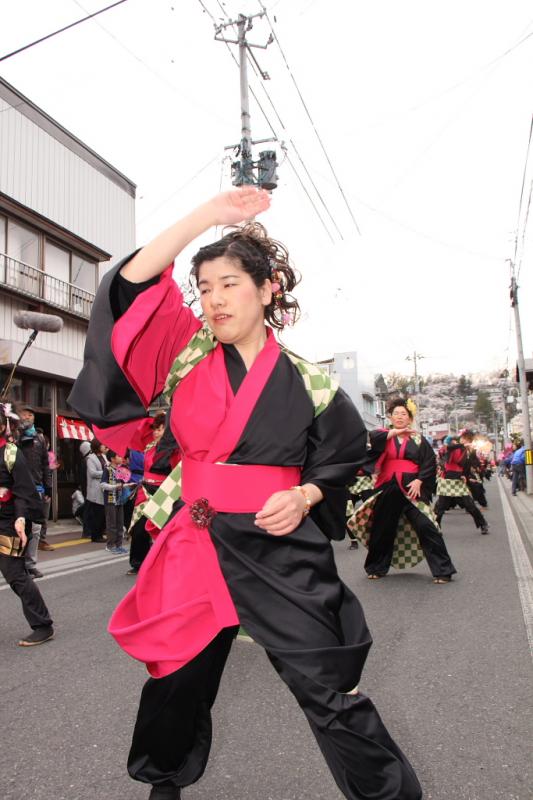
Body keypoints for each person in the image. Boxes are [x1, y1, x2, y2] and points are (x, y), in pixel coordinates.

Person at [69, 187, 422, 800]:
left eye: (229, 284)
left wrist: (306, 496)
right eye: (204, 287)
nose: (213, 299)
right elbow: (128, 286)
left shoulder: (310, 382)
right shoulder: (185, 355)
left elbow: (342, 455)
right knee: (176, 682)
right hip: (196, 540)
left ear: (267, 290)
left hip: (277, 545)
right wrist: (209, 216)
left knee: (328, 685)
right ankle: (164, 786)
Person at [348, 397, 456, 583]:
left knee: (426, 526)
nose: (399, 417)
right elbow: (374, 437)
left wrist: (420, 480)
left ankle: (443, 570)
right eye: (396, 414)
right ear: (390, 417)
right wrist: (396, 432)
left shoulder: (418, 439)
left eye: (403, 414)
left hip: (411, 489)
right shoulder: (384, 435)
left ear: (410, 418)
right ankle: (376, 567)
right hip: (387, 486)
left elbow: (429, 462)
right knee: (381, 528)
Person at [0, 402, 54, 646]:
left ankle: (42, 625)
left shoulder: (11, 452)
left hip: (9, 521)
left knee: (15, 574)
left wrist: (21, 519)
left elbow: (24, 491)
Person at [126, 413, 178, 575]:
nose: (156, 432)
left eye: (161, 429)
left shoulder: (175, 449)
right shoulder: (148, 446)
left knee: (164, 528)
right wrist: (160, 416)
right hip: (145, 490)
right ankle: (138, 562)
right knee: (139, 527)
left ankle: (167, 561)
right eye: (155, 429)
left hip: (165, 491)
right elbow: (139, 428)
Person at [17, 405, 54, 579]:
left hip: (37, 488)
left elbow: (46, 464)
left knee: (36, 528)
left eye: (30, 415)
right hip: (18, 489)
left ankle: (31, 565)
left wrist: (48, 486)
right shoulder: (14, 435)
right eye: (24, 415)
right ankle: (18, 565)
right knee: (19, 528)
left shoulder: (40, 438)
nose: (27, 417)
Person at [434, 430, 489, 534]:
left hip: (458, 480)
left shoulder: (469, 451)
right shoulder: (454, 445)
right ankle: (436, 527)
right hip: (447, 479)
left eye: (468, 439)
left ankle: (483, 524)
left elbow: (467, 466)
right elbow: (448, 448)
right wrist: (462, 445)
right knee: (441, 506)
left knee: (470, 505)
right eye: (464, 438)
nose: (465, 441)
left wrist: (464, 476)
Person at [100, 451, 130, 554]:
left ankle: (119, 545)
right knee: (111, 524)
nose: (121, 458)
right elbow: (102, 484)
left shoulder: (120, 470)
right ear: (112, 459)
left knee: (120, 523)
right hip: (110, 500)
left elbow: (122, 484)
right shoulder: (107, 470)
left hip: (119, 500)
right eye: (118, 456)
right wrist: (115, 487)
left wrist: (127, 485)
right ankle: (110, 545)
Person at [83, 439, 108, 542]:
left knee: (102, 513)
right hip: (95, 489)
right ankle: (96, 536)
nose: (104, 446)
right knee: (97, 513)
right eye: (102, 444)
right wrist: (106, 472)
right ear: (97, 446)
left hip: (103, 488)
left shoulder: (104, 456)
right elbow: (92, 473)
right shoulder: (90, 458)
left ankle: (100, 534)